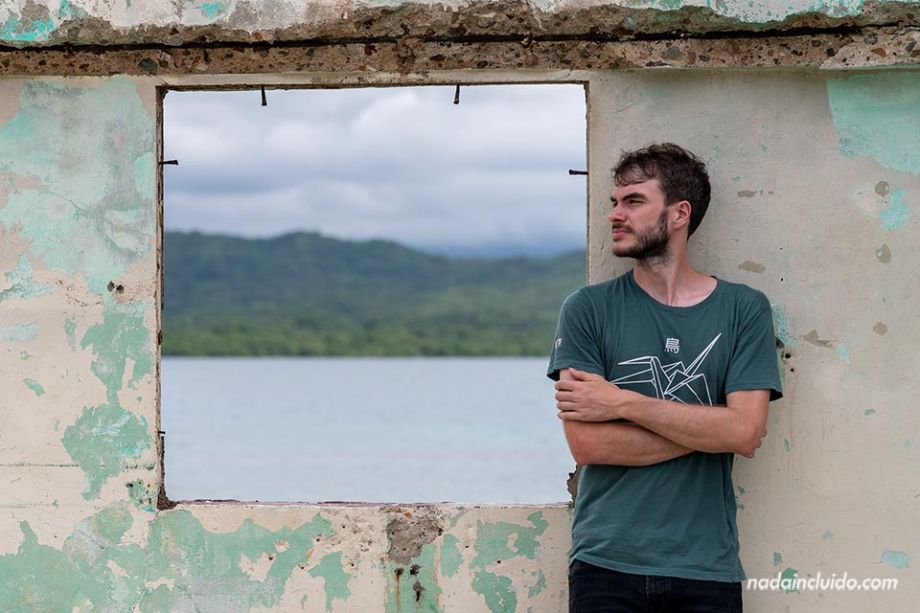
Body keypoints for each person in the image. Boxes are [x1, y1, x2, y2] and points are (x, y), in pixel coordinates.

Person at [547, 143, 783, 612]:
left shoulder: (743, 309)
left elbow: (745, 432)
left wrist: (621, 403)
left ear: (679, 214)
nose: (615, 214)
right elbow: (589, 445)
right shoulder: (587, 309)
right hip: (606, 564)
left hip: (706, 568)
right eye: (615, 202)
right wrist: (715, 429)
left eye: (634, 201)